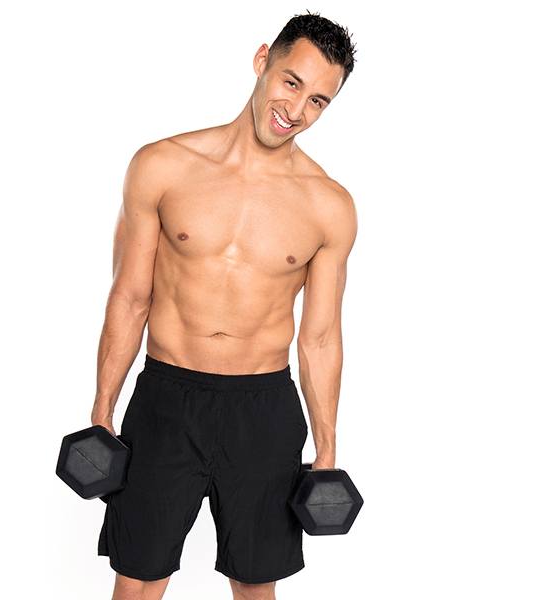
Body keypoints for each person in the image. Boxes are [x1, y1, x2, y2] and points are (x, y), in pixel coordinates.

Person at [91, 11, 358, 600]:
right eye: (292, 82)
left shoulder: (329, 206)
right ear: (263, 60)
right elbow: (130, 296)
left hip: (263, 410)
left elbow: (319, 338)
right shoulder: (162, 166)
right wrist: (103, 410)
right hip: (166, 400)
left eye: (319, 101)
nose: (297, 110)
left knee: (255, 585)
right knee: (136, 580)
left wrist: (329, 449)